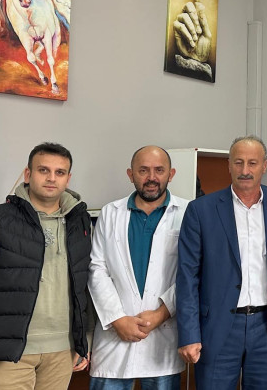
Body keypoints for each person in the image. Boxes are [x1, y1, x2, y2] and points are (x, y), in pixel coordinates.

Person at [0, 142, 92, 390]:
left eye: (59, 172)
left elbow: (86, 285)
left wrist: (84, 340)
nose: (51, 178)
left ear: (68, 179)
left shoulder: (80, 222)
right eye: (43, 170)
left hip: (62, 351)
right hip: (7, 352)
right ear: (28, 174)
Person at [176, 135, 267, 389]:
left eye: (252, 163)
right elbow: (187, 277)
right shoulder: (201, 210)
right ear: (229, 165)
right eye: (238, 162)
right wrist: (189, 334)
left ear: (264, 166)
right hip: (217, 327)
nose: (245, 170)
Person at [88, 146, 188, 389]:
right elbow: (97, 268)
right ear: (130, 174)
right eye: (143, 170)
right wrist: (117, 319)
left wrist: (161, 314)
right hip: (114, 334)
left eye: (159, 170)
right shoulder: (110, 213)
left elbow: (192, 273)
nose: (151, 177)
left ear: (171, 174)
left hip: (164, 333)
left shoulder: (189, 212)